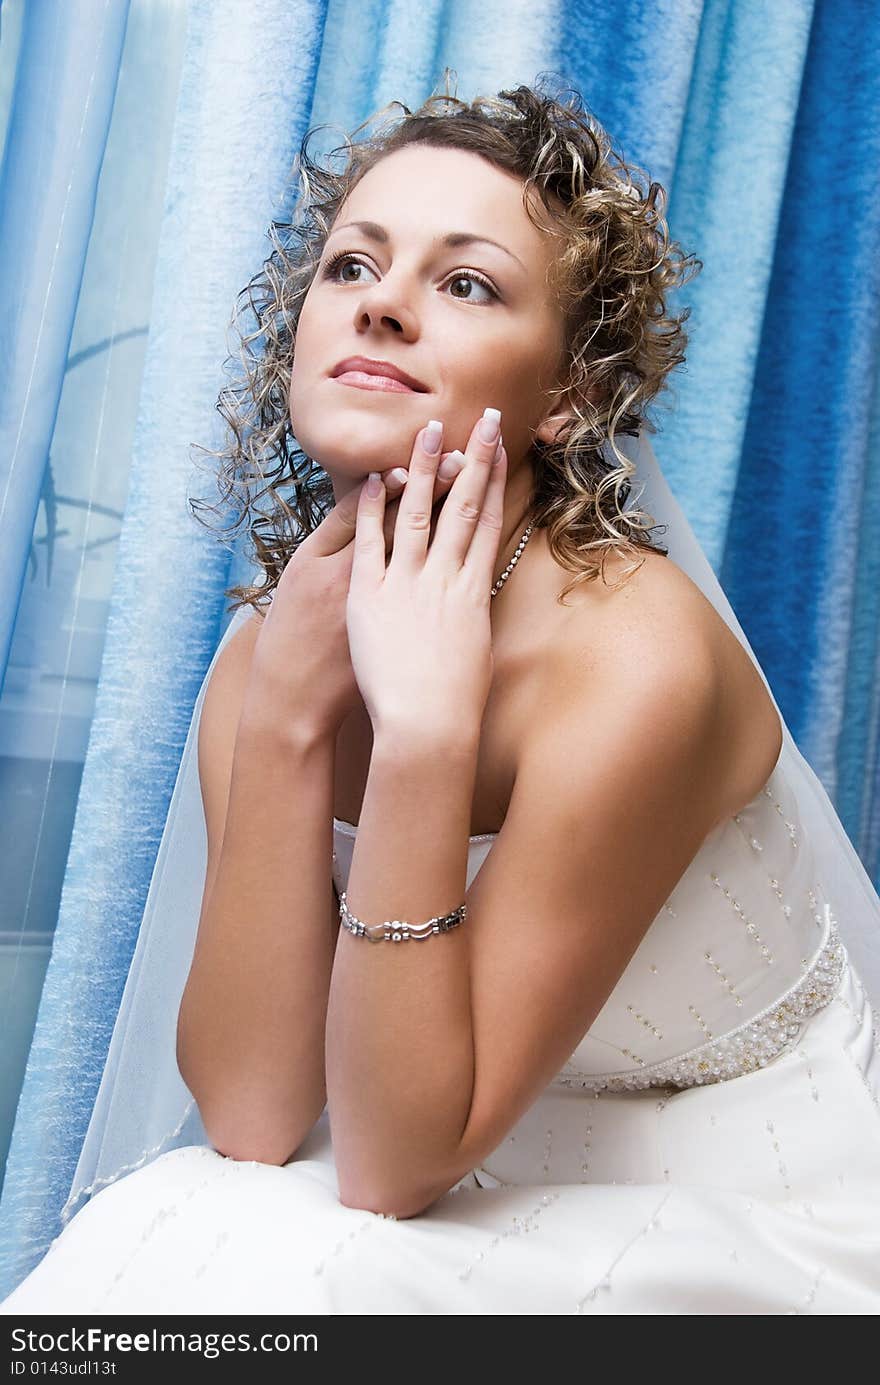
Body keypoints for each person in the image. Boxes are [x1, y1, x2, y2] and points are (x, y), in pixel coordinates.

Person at [2, 75, 879, 1316]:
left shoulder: (633, 661)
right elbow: (251, 1114)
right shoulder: (277, 646)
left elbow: (391, 1164)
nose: (384, 306)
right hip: (439, 1142)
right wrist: (292, 716)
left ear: (569, 395)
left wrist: (418, 733)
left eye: (464, 282)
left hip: (742, 1184)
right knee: (162, 1222)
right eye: (352, 266)